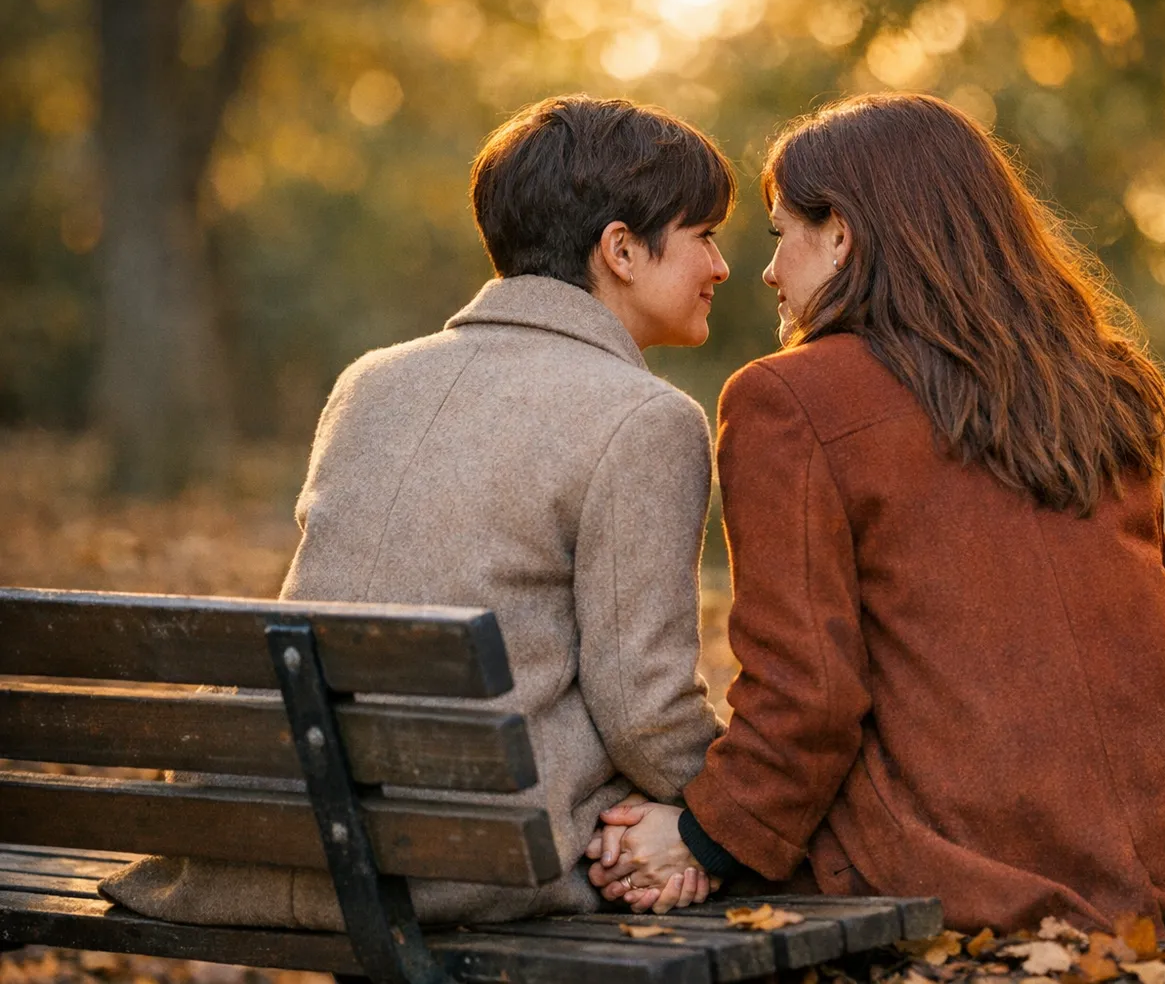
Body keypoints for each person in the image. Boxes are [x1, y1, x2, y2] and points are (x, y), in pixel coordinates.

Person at [587, 93, 1165, 944]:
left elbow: (810, 700)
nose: (765, 270)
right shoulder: (1105, 379)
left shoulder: (787, 400)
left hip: (998, 883)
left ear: (845, 235)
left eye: (777, 233)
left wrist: (698, 837)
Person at [100, 94, 729, 929]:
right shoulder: (647, 419)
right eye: (706, 236)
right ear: (620, 249)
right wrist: (732, 821)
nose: (721, 267)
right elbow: (646, 715)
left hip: (265, 839)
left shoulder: (372, 381)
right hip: (457, 864)